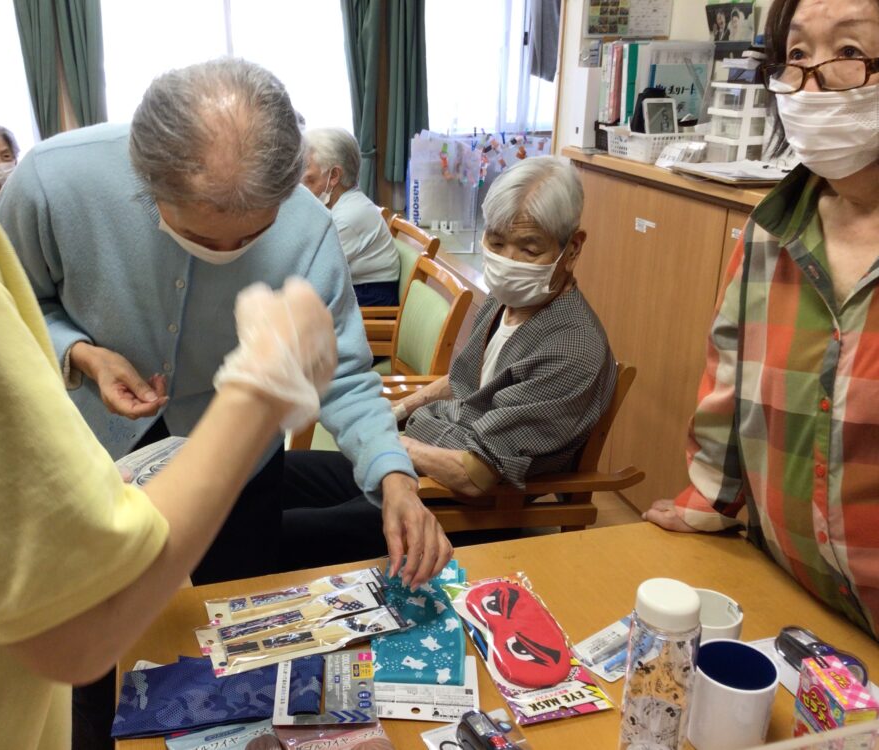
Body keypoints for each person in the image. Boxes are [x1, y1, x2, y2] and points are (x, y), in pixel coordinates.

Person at [0, 3, 338, 749]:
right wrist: (259, 388)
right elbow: (74, 625)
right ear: (145, 180)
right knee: (107, 685)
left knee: (230, 635)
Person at [644, 0, 879, 639]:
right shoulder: (769, 233)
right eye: (797, 55)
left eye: (850, 53)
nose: (812, 81)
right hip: (788, 601)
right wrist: (708, 505)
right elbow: (727, 391)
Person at [283, 157, 617, 567]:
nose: (508, 260)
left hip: (461, 504)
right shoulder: (506, 301)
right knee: (272, 474)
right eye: (496, 243)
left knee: (279, 532)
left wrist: (389, 444)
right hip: (423, 456)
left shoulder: (571, 350)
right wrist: (400, 410)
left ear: (572, 248)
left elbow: (475, 476)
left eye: (529, 249)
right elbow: (463, 379)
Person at [302, 127, 400, 307]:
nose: (302, 188)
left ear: (334, 176)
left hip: (371, 299)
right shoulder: (340, 205)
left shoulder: (347, 217)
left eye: (310, 180)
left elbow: (311, 272)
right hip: (359, 289)